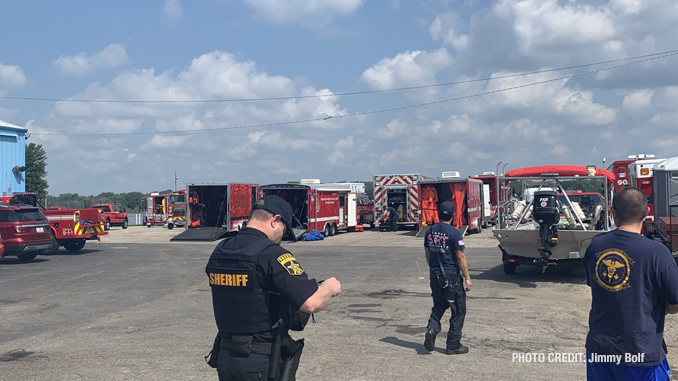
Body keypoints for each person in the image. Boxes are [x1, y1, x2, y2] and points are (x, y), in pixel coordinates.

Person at [205, 195, 342, 381]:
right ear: (275, 220)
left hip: (226, 358)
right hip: (261, 361)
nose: (281, 240)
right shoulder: (271, 254)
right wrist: (328, 288)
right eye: (284, 231)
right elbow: (311, 302)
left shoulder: (221, 249)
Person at [584, 187, 678, 381]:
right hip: (640, 352)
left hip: (600, 349)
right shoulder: (657, 253)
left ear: (613, 212)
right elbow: (675, 300)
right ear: (647, 213)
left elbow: (597, 287)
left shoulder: (595, 246)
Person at [422, 201, 472, 355]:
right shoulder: (455, 232)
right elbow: (460, 256)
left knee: (439, 304)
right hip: (451, 276)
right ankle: (453, 344)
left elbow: (427, 252)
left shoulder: (429, 231)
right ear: (453, 215)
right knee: (458, 309)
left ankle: (432, 328)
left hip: (435, 275)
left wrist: (433, 269)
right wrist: (468, 278)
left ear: (438, 213)